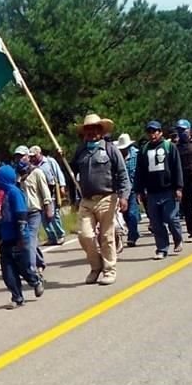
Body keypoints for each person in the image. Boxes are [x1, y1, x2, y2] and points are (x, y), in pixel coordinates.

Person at [71, 113, 130, 285]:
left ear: (100, 131)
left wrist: (123, 196)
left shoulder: (111, 149)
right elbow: (71, 172)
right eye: (87, 129)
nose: (91, 132)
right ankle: (96, 266)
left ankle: (109, 270)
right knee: (85, 235)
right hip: (86, 200)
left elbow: (122, 174)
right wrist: (61, 157)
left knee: (106, 237)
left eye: (94, 129)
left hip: (107, 198)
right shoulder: (80, 151)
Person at [0, 164, 45, 308]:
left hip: (18, 239)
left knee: (25, 268)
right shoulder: (5, 195)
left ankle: (35, 281)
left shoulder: (15, 193)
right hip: (7, 240)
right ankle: (17, 297)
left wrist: (22, 238)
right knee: (8, 272)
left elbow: (21, 215)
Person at [134, 121, 184, 260]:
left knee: (171, 217)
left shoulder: (169, 147)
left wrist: (178, 187)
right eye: (149, 132)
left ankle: (178, 238)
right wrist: (138, 190)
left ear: (160, 132)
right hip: (152, 192)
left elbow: (176, 167)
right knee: (156, 222)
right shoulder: (144, 150)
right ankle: (162, 248)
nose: (152, 134)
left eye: (155, 131)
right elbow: (140, 172)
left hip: (168, 190)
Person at [13, 145, 52, 274]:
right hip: (21, 213)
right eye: (17, 157)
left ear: (28, 157)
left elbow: (45, 192)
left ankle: (32, 269)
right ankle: (39, 261)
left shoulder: (37, 172)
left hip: (34, 212)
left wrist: (48, 208)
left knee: (29, 238)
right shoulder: (16, 175)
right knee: (29, 240)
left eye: (22, 156)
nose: (19, 159)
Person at [29, 146, 67, 245]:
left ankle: (60, 234)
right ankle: (51, 237)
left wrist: (62, 186)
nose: (33, 158)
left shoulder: (49, 161)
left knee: (54, 215)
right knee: (43, 217)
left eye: (34, 156)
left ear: (39, 153)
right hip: (40, 192)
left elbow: (58, 173)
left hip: (52, 191)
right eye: (31, 156)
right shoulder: (32, 166)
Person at [114, 133, 140, 247]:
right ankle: (133, 232)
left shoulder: (136, 155)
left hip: (133, 189)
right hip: (122, 191)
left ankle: (132, 236)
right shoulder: (116, 157)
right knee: (124, 214)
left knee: (131, 213)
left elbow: (140, 173)